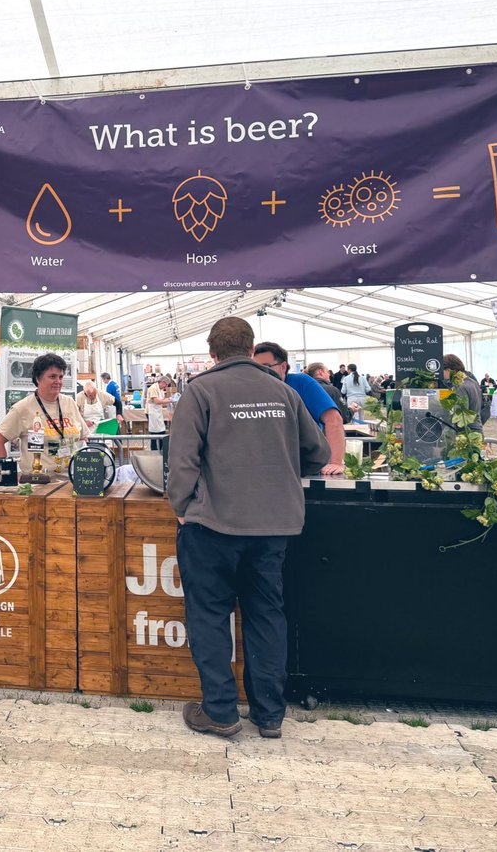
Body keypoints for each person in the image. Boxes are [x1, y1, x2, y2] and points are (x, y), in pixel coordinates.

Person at [169, 317, 329, 740]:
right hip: (272, 527)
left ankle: (220, 711)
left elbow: (181, 461)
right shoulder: (284, 392)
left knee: (209, 617)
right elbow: (317, 453)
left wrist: (181, 506)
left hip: (212, 527)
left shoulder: (201, 390)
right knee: (265, 616)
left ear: (213, 353)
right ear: (250, 346)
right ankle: (269, 714)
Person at [253, 343, 344, 476]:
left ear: (283, 367)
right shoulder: (253, 389)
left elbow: (334, 419)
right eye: (255, 367)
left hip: (303, 466)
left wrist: (336, 462)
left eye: (266, 366)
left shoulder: (301, 383)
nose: (261, 372)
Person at [0, 352, 86, 475]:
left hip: (71, 480)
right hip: (38, 484)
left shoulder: (69, 403)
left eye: (60, 377)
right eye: (52, 376)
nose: (58, 381)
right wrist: (6, 474)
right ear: (38, 378)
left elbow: (83, 436)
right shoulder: (22, 408)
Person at [441, 354, 483, 433]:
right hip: (476, 428)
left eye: (442, 371)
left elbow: (460, 416)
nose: (442, 375)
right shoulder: (473, 382)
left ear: (449, 370)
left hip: (466, 433)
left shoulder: (460, 387)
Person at [145, 374, 172, 450]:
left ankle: (161, 449)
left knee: (161, 431)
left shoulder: (160, 389)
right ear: (162, 382)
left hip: (157, 412)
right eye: (165, 385)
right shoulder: (153, 388)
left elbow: (162, 400)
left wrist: (168, 400)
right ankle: (154, 450)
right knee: (154, 433)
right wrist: (169, 400)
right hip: (151, 412)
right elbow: (157, 401)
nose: (165, 387)